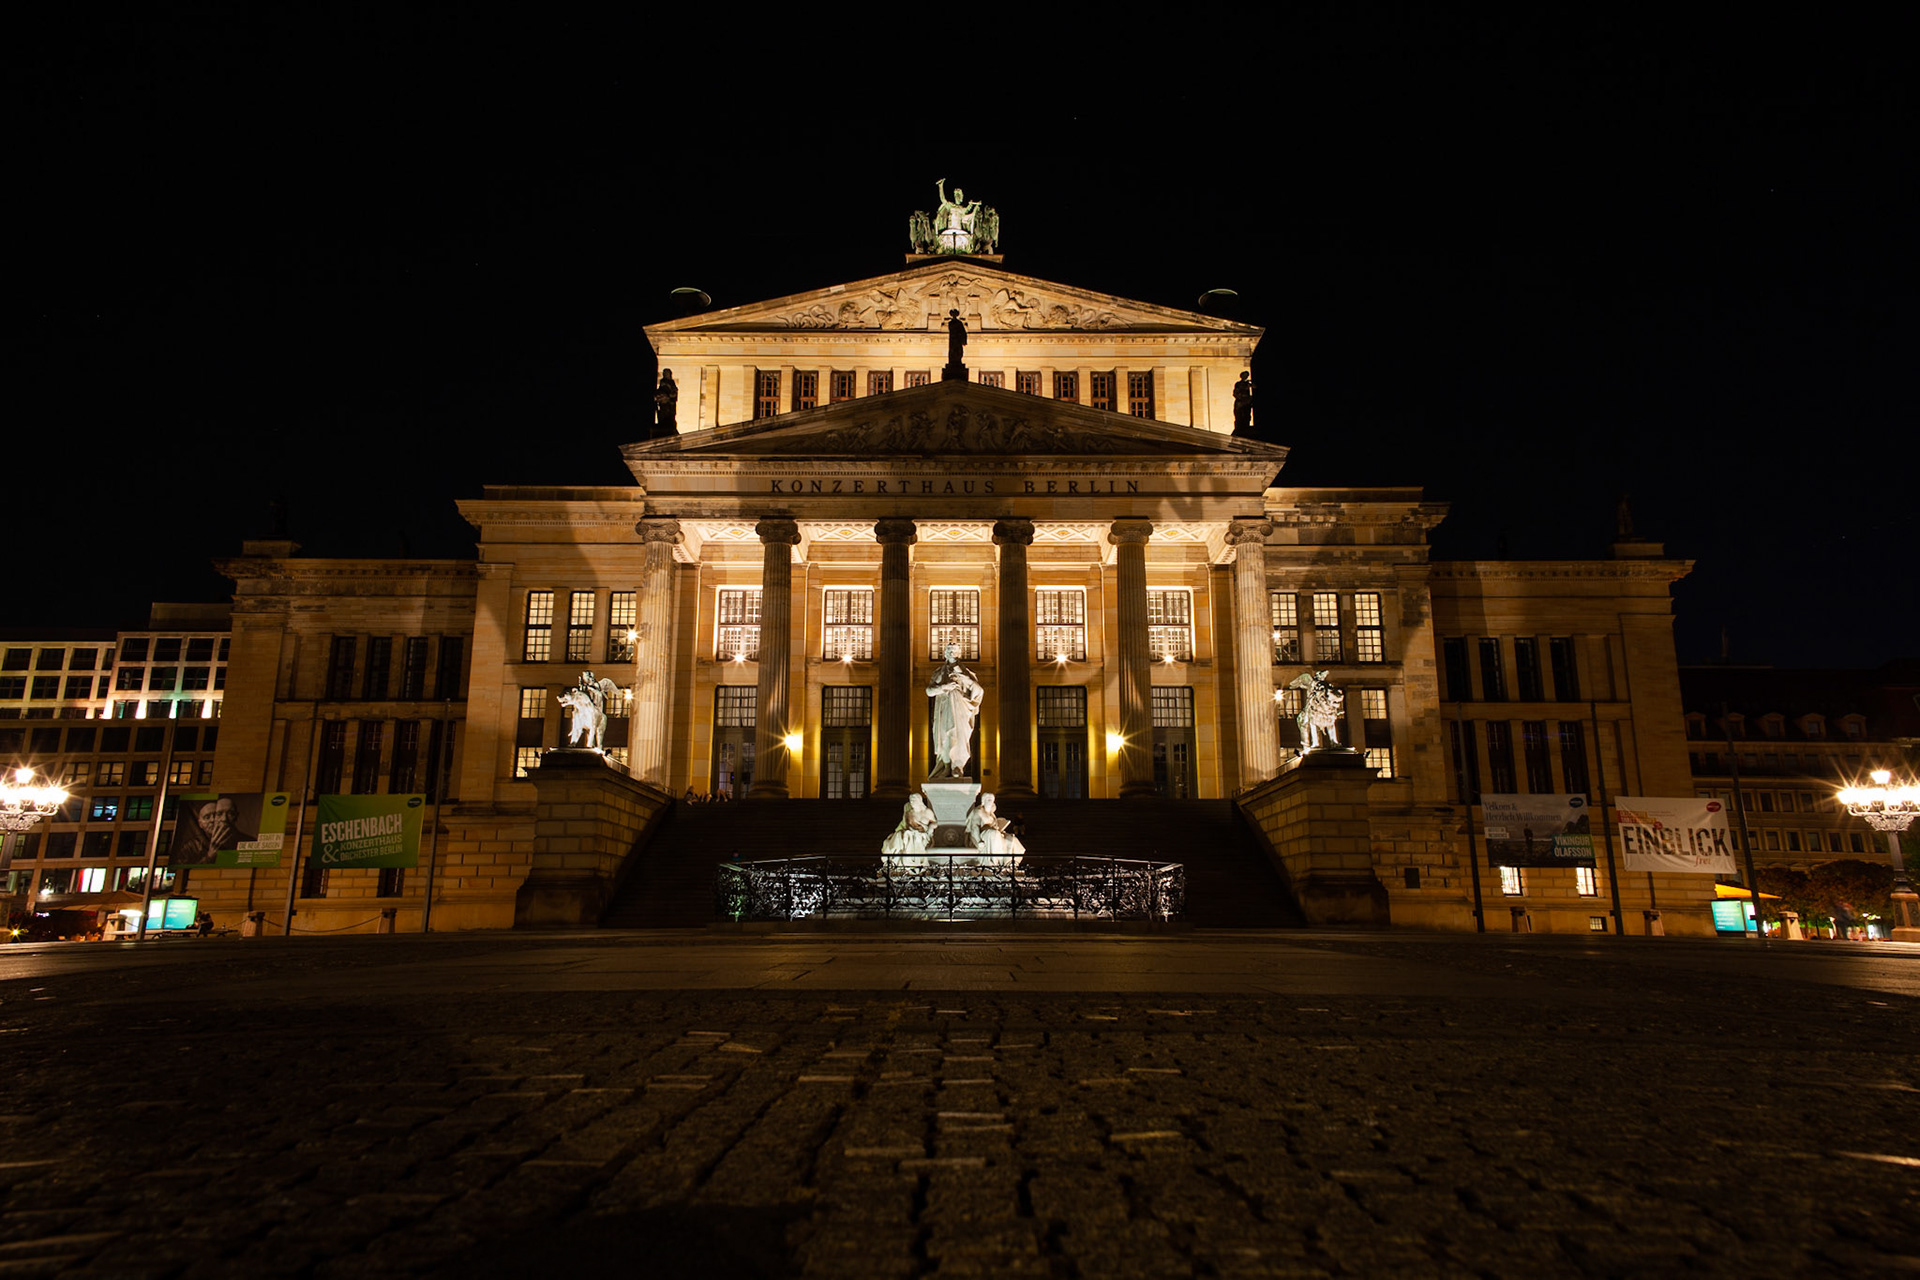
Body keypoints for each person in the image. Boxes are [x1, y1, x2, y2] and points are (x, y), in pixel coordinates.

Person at [926, 642, 984, 778]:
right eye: (949, 650)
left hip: (960, 710)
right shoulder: (939, 673)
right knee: (944, 737)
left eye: (954, 651)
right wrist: (944, 687)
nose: (952, 653)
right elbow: (929, 691)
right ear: (945, 654)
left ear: (959, 654)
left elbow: (979, 690)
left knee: (959, 736)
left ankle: (957, 766)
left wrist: (963, 677)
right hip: (944, 709)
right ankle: (946, 766)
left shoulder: (966, 673)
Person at [966, 793, 1026, 858]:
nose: (990, 802)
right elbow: (974, 827)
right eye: (988, 800)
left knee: (1011, 838)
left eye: (991, 800)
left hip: (994, 833)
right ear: (983, 801)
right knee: (994, 834)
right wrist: (978, 841)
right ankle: (995, 861)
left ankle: (1010, 861)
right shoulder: (978, 812)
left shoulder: (992, 814)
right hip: (983, 835)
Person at [881, 793, 936, 859]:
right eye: (911, 800)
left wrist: (931, 827)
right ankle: (892, 853)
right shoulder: (909, 813)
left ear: (919, 800)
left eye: (913, 800)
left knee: (908, 835)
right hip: (910, 832)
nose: (912, 802)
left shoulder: (927, 812)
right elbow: (907, 825)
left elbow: (934, 822)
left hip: (923, 834)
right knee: (899, 834)